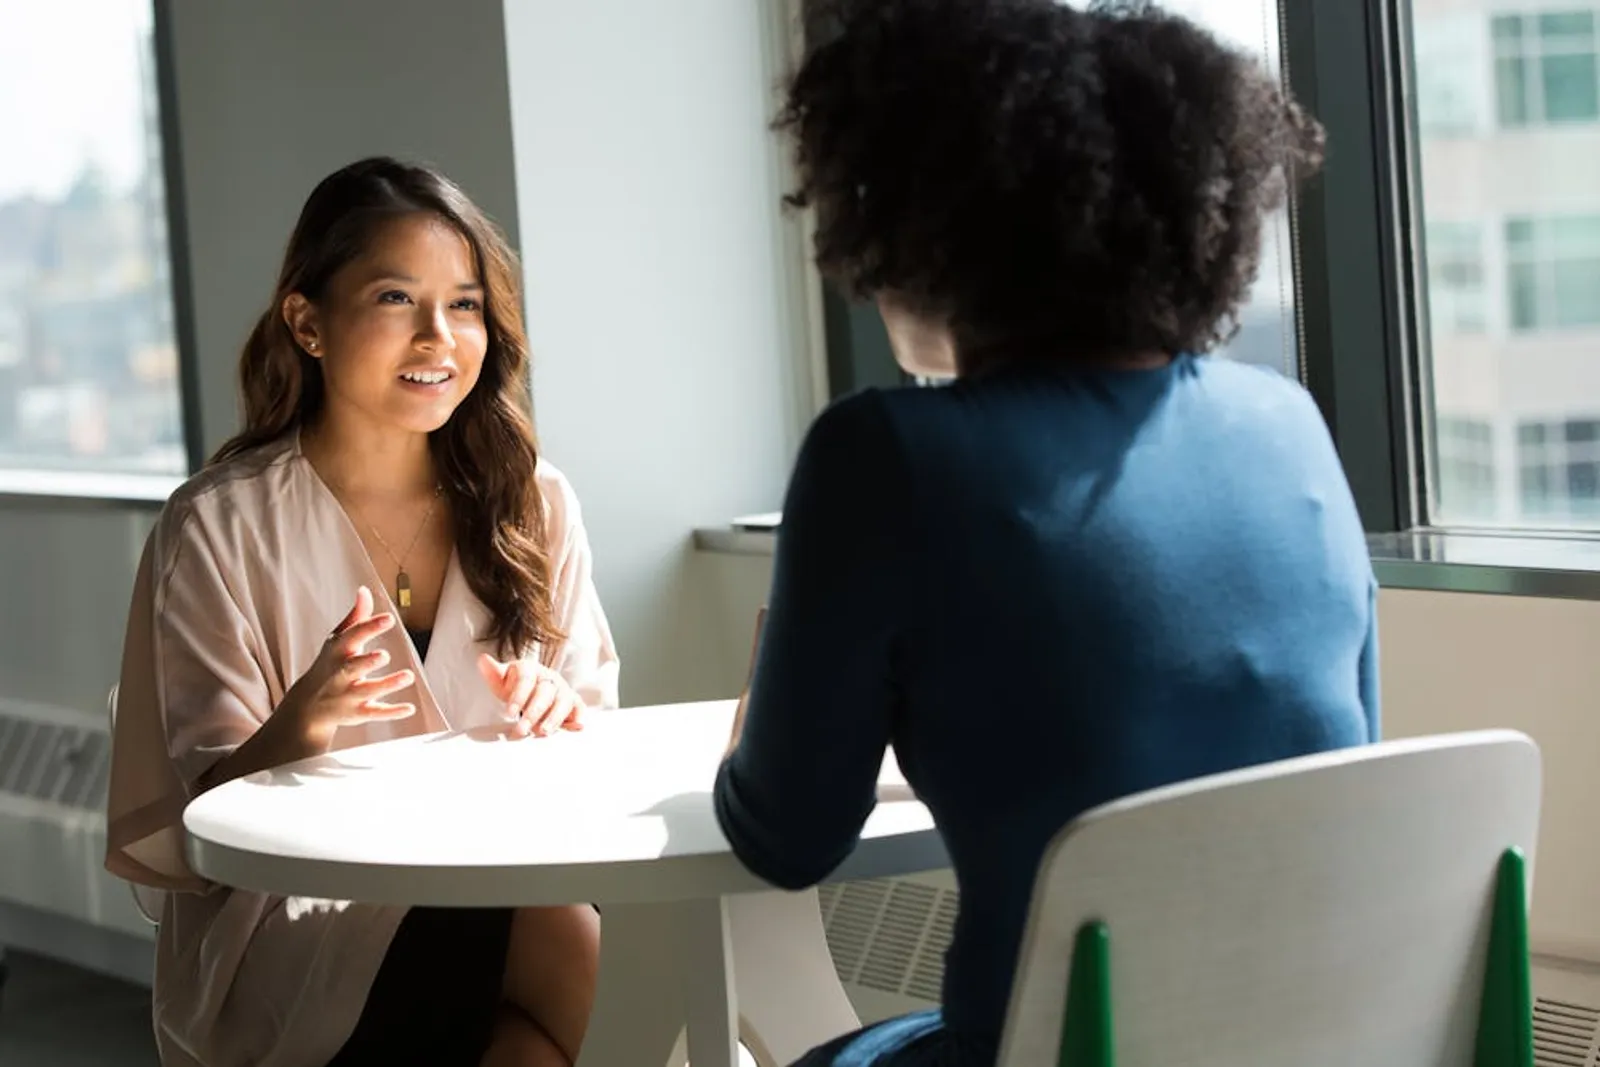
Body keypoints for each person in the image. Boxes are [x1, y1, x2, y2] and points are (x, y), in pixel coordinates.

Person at [712, 2, 1378, 1065]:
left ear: (922, 227)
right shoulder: (1287, 426)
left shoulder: (883, 453)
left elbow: (786, 838)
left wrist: (764, 728)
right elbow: (1338, 766)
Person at [105, 158, 619, 1067]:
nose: (439, 337)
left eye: (464, 304)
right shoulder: (219, 525)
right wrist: (294, 732)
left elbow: (598, 743)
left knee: (539, 1027)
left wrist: (561, 711)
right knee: (573, 946)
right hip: (296, 928)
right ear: (307, 322)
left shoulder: (535, 501)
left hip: (511, 880)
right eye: (395, 299)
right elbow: (200, 831)